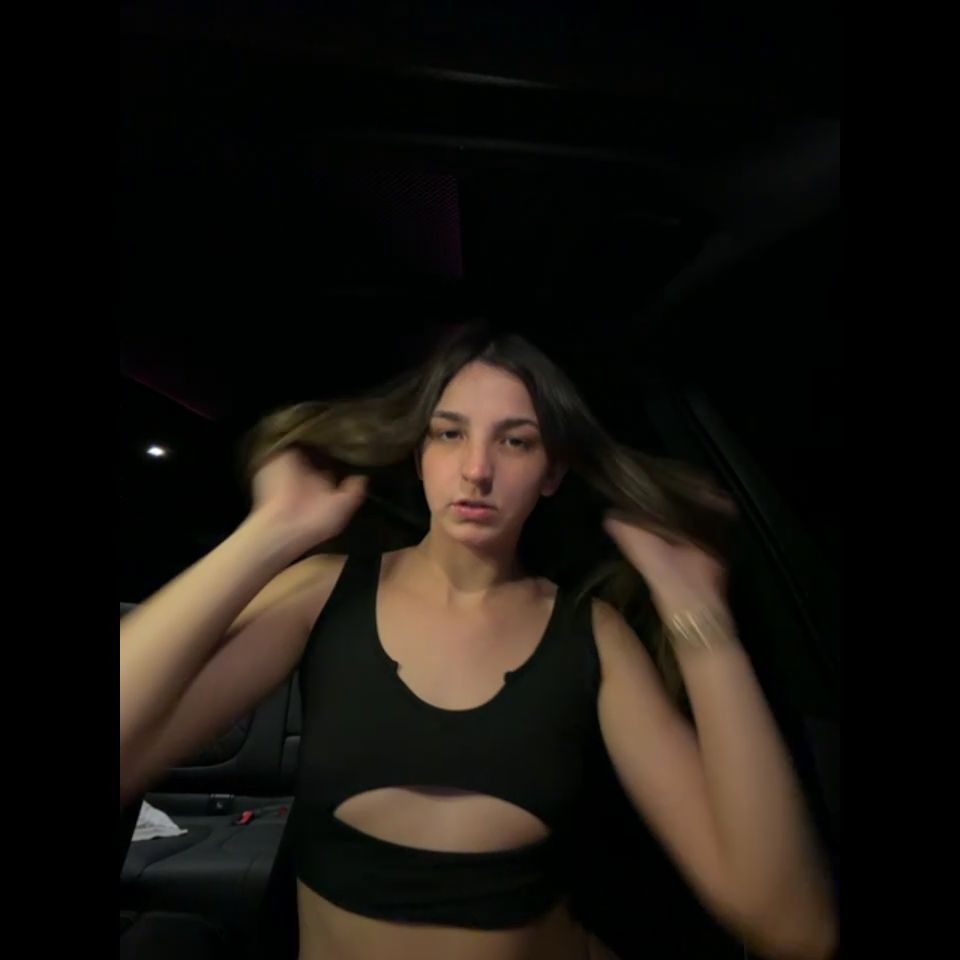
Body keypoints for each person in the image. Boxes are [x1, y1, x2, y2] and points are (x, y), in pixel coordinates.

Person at [120, 324, 837, 960]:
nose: (477, 470)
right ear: (418, 453)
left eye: (515, 440)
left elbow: (792, 928)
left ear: (553, 472)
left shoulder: (591, 636)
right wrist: (270, 531)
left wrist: (700, 617)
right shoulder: (322, 593)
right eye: (449, 433)